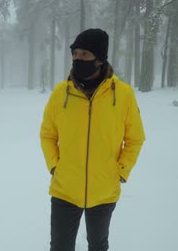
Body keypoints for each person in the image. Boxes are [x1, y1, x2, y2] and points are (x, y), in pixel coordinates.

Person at [40, 28, 145, 251]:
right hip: (64, 188)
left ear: (99, 59)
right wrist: (54, 166)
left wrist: (120, 171)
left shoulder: (123, 94)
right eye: (75, 54)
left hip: (104, 189)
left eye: (85, 55)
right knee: (59, 247)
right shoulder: (61, 93)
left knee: (98, 245)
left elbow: (135, 138)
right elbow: (48, 134)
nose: (78, 59)